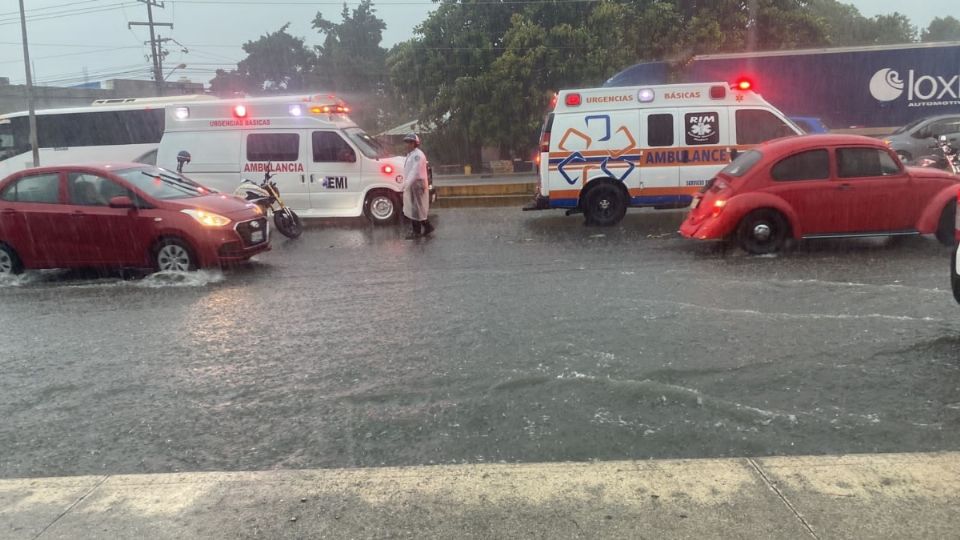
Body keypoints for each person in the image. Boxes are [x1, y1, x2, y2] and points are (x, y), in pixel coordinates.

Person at [401, 133, 433, 238]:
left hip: (417, 184)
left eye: (410, 142)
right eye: (406, 142)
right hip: (413, 184)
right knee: (417, 208)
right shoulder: (411, 154)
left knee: (416, 209)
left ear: (415, 143)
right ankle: (427, 227)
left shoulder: (417, 155)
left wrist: (406, 184)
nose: (407, 144)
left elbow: (415, 172)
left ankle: (417, 232)